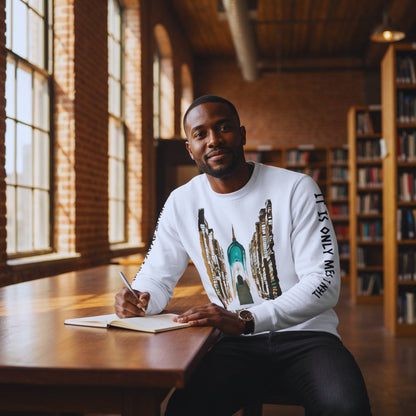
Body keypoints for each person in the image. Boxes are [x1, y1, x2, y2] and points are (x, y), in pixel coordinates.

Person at [114, 95, 372, 416]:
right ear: (190, 148)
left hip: (307, 337)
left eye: (224, 128)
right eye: (200, 134)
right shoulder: (181, 202)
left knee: (347, 408)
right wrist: (140, 298)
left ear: (243, 134)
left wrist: (247, 319)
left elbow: (324, 283)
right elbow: (156, 274)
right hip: (232, 345)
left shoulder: (296, 188)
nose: (214, 140)